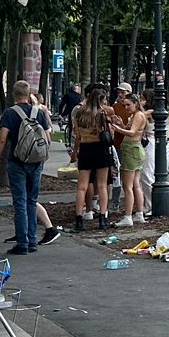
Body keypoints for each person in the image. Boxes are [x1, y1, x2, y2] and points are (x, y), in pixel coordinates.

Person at [0, 79, 53, 254]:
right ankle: (33, 240)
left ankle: (22, 242)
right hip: (36, 162)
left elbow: (3, 138)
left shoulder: (10, 113)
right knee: (31, 200)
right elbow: (47, 138)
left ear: (13, 94)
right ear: (29, 94)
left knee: (19, 201)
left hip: (17, 161)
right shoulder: (39, 112)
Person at [70, 80, 114, 231]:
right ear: (100, 100)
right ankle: (102, 217)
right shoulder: (102, 113)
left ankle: (79, 218)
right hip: (100, 149)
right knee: (102, 185)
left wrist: (75, 153)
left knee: (81, 186)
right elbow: (109, 134)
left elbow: (77, 136)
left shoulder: (79, 113)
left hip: (85, 149)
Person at [114, 93, 152, 225]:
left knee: (128, 186)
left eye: (128, 105)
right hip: (134, 149)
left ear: (136, 103)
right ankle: (139, 213)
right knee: (136, 184)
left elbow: (132, 132)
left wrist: (117, 129)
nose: (126, 107)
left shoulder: (138, 115)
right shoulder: (137, 115)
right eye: (124, 105)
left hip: (132, 150)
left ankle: (128, 216)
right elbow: (129, 129)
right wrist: (121, 124)